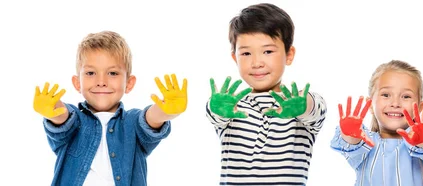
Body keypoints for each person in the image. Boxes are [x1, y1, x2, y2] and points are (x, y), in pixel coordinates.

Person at [33, 30, 188, 186]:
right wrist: (53, 108)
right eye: (91, 73)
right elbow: (62, 117)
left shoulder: (132, 122)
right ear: (77, 83)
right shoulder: (75, 120)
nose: (101, 81)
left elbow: (150, 120)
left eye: (112, 73)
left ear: (129, 83)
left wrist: (165, 112)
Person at [204, 3, 327, 185]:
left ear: (289, 54)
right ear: (234, 58)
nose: (256, 63)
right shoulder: (232, 106)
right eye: (246, 53)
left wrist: (302, 105)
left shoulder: (300, 103)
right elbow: (215, 114)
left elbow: (313, 109)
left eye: (268, 51)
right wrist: (217, 108)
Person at [331, 60, 423, 186]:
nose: (395, 103)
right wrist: (350, 133)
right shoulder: (365, 142)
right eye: (386, 95)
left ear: (419, 107)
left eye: (406, 96)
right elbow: (351, 142)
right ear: (370, 104)